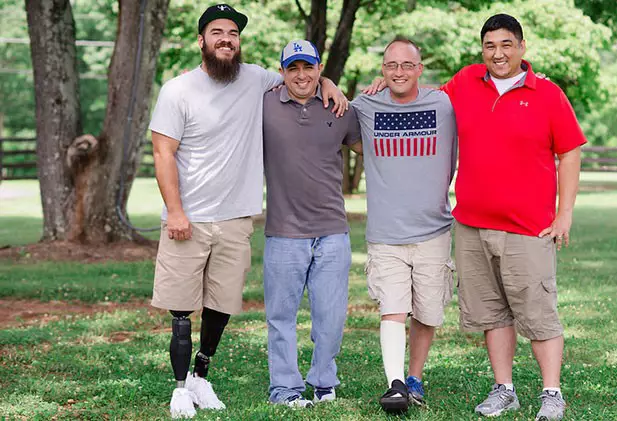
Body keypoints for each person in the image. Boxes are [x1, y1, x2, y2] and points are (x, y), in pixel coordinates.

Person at [148, 4, 347, 418]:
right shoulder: (177, 90)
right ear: (200, 40)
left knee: (221, 305)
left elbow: (302, 79)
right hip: (190, 218)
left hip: (237, 218)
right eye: (217, 32)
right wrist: (176, 211)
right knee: (183, 306)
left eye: (233, 34)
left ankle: (202, 378)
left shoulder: (257, 79)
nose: (226, 39)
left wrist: (328, 81)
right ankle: (180, 389)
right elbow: (163, 152)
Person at [440, 14, 586, 420]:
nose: (498, 53)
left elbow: (570, 151)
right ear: (482, 50)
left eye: (506, 44)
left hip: (528, 228)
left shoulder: (548, 94)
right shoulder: (465, 82)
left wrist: (565, 214)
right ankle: (504, 390)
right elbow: (419, 99)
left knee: (538, 313)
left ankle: (551, 394)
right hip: (471, 224)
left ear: (522, 47)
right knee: (491, 313)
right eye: (490, 46)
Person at [351, 37, 458, 413]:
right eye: (391, 65)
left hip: (434, 230)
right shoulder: (364, 106)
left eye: (407, 65)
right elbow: (329, 113)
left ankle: (414, 376)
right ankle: (395, 384)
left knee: (427, 312)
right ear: (382, 70)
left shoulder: (444, 104)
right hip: (386, 233)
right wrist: (330, 84)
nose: (398, 72)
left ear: (420, 69)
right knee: (393, 309)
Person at [261, 39, 362, 408]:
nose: (301, 75)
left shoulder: (340, 107)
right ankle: (285, 389)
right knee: (281, 317)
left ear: (319, 69)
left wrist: (332, 87)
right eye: (293, 68)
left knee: (331, 317)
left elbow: (367, 149)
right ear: (282, 72)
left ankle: (323, 381)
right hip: (284, 232)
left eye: (308, 68)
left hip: (333, 230)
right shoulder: (266, 104)